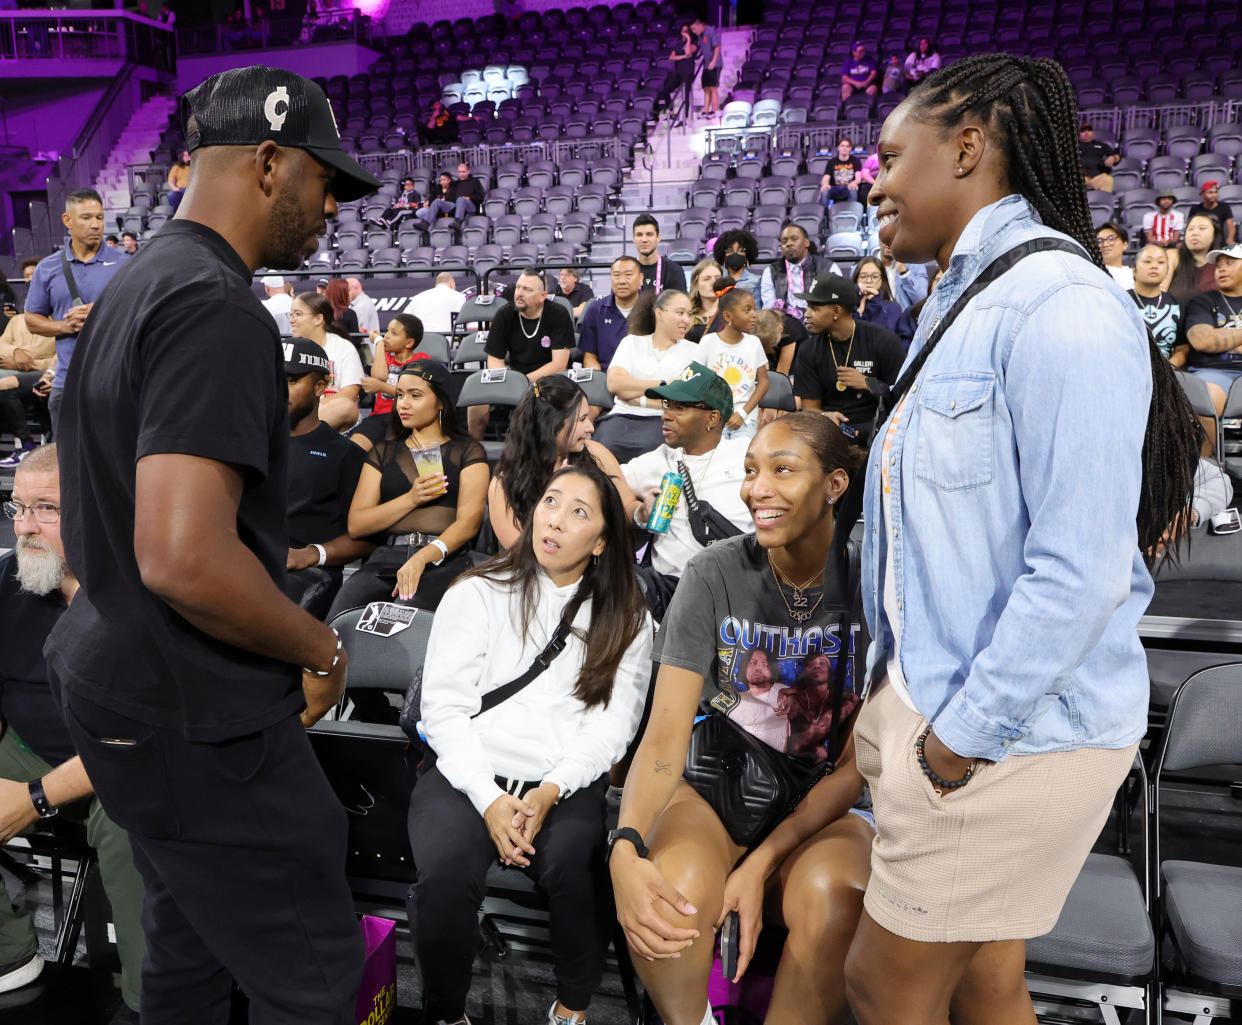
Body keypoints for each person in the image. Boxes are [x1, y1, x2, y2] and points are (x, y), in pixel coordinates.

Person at [846, 54, 1200, 1025]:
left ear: (966, 146)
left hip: (1005, 731)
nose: (869, 180)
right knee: (987, 980)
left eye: (888, 153)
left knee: (882, 985)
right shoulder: (963, 301)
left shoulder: (1062, 306)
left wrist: (956, 742)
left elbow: (1079, 575)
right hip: (954, 709)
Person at [49, 65, 382, 1024]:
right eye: (324, 181)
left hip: (116, 682)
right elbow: (186, 556)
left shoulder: (140, 278)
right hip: (196, 712)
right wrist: (320, 645)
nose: (330, 209)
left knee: (188, 944)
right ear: (272, 163)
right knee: (316, 985)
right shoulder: (217, 304)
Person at [611, 413, 873, 1025]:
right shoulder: (713, 571)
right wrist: (626, 846)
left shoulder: (875, 581)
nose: (758, 488)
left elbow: (856, 768)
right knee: (665, 900)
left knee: (833, 901)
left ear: (835, 485)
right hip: (720, 781)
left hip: (824, 799)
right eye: (752, 470)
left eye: (783, 470)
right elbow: (665, 734)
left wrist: (759, 865)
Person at [411, 463, 652, 1025]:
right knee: (446, 872)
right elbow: (443, 711)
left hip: (559, 783)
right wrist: (489, 798)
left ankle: (571, 1009)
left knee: (578, 866)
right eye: (550, 501)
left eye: (579, 512)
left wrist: (550, 790)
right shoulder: (478, 591)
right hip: (467, 771)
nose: (555, 520)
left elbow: (614, 727)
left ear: (601, 542)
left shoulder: (629, 619)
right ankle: (445, 1013)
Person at [0, 445, 145, 1020]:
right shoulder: (9, 581)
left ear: (94, 510)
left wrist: (33, 800)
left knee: (133, 827)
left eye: (46, 509)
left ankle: (149, 1002)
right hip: (35, 748)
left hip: (129, 761)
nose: (24, 527)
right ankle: (11, 959)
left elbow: (139, 738)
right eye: (17, 509)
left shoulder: (141, 590)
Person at [333, 360, 488, 616]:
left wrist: (422, 557)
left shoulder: (467, 451)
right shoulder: (382, 452)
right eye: (401, 395)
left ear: (441, 402)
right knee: (340, 620)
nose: (403, 403)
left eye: (415, 396)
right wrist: (411, 498)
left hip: (442, 560)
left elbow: (468, 523)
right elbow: (357, 524)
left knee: (406, 624)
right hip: (384, 559)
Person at [620, 364, 752, 616]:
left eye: (679, 408)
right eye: (666, 405)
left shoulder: (747, 457)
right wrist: (637, 512)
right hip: (669, 592)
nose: (666, 415)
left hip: (731, 594)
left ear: (712, 418)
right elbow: (605, 474)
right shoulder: (661, 459)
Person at [488, 375, 637, 550]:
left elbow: (626, 506)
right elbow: (519, 553)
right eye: (581, 420)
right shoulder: (503, 484)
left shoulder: (597, 454)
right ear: (552, 425)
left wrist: (641, 513)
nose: (591, 427)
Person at [22, 188, 127, 436]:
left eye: (99, 218)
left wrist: (102, 313)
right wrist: (65, 326)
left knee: (114, 464)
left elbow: (139, 316)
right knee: (68, 465)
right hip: (66, 383)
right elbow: (31, 320)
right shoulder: (47, 268)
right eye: (87, 217)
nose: (95, 225)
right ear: (67, 220)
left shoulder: (125, 264)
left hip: (113, 382)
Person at [283, 339, 372, 618]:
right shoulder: (250, 444)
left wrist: (311, 554)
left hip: (309, 576)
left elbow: (368, 537)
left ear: (320, 387)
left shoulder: (345, 455)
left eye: (292, 380)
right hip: (245, 565)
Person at [792, 273, 904, 443]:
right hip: (830, 431)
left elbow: (902, 397)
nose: (806, 314)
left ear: (836, 310)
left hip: (879, 428)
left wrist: (870, 384)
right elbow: (811, 409)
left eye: (814, 308)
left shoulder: (883, 340)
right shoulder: (809, 350)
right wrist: (824, 416)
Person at [594, 289, 699, 463]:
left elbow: (684, 400)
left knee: (654, 454)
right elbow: (615, 384)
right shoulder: (632, 343)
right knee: (602, 448)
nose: (686, 320)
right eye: (680, 313)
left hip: (665, 421)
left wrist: (636, 395)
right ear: (659, 313)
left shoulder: (694, 351)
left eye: (689, 314)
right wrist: (665, 385)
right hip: (622, 415)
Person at [698, 288, 769, 438]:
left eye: (754, 309)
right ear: (727, 316)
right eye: (747, 310)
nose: (754, 315)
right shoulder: (708, 342)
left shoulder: (754, 343)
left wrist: (742, 413)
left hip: (746, 419)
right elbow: (697, 380)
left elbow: (763, 382)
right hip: (713, 418)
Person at [289, 290, 365, 430]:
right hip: (297, 414)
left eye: (298, 314)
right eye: (291, 314)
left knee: (345, 407)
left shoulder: (343, 348)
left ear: (318, 319)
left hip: (331, 415)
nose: (291, 319)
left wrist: (315, 410)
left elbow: (350, 393)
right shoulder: (290, 348)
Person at [1184, 242, 1242, 417]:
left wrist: (1223, 337)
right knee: (1207, 397)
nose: (1222, 269)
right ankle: (1209, 446)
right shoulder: (1202, 301)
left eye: (1230, 262)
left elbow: (1212, 338)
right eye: (1218, 266)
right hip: (1212, 371)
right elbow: (1202, 340)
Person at [759, 224, 839, 322]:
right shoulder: (771, 271)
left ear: (806, 242)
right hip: (785, 324)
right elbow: (769, 307)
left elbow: (836, 301)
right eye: (784, 241)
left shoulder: (828, 267)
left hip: (819, 322)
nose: (789, 244)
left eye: (794, 239)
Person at [579, 257, 644, 371]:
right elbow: (590, 357)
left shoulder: (654, 310)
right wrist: (600, 382)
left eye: (628, 275)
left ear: (641, 278)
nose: (622, 281)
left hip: (644, 379)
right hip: (606, 379)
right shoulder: (595, 310)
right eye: (617, 275)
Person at [1129, 245, 1186, 365]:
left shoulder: (1176, 305)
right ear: (1134, 270)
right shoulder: (1121, 301)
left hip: (1167, 371)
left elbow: (1182, 348)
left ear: (1167, 271)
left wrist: (1169, 369)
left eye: (1160, 262)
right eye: (1147, 261)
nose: (1154, 266)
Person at [1165, 212, 1224, 306]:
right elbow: (1159, 292)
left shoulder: (1224, 262)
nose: (1195, 233)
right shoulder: (1173, 256)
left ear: (1215, 234)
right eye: (1190, 229)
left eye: (1202, 228)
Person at [633, 214, 687, 294]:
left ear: (658, 237)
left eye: (649, 234)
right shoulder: (627, 271)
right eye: (639, 235)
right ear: (634, 239)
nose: (644, 239)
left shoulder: (674, 271)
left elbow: (680, 305)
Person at [852, 257, 904, 339]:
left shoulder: (892, 308)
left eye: (875, 276)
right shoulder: (847, 307)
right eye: (863, 276)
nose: (868, 280)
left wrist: (874, 300)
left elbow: (883, 336)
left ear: (882, 280)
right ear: (856, 279)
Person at [419, 162, 486, 223]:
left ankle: (457, 222)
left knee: (461, 199)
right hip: (455, 205)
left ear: (468, 172)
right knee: (437, 201)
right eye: (460, 172)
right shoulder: (456, 183)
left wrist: (469, 198)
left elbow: (481, 197)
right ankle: (425, 223)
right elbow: (441, 187)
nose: (461, 174)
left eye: (463, 172)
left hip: (470, 206)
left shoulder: (474, 181)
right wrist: (429, 201)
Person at [875, 243, 929, 311]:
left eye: (893, 238)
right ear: (880, 240)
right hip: (874, 318)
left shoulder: (915, 264)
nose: (889, 243)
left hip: (903, 318)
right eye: (886, 239)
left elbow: (922, 300)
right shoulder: (867, 266)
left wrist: (904, 273)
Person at [819, 137, 869, 208]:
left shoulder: (856, 161)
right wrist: (825, 184)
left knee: (853, 190)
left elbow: (858, 178)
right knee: (824, 191)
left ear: (850, 148)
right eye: (842, 146)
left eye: (847, 146)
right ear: (838, 148)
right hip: (835, 188)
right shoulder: (832, 162)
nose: (845, 148)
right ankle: (824, 216)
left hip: (849, 187)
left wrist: (854, 182)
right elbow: (826, 176)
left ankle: (852, 213)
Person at [663, 23, 699, 119]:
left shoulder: (694, 43)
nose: (684, 33)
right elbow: (671, 57)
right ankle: (671, 112)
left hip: (688, 70)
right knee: (665, 90)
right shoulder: (678, 44)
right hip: (678, 71)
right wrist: (683, 57)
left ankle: (686, 117)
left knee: (685, 94)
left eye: (686, 31)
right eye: (683, 31)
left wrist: (689, 39)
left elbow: (688, 52)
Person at [712, 230, 763, 296]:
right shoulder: (717, 280)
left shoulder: (757, 281)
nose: (735, 254)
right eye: (730, 250)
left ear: (747, 254)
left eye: (740, 250)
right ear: (723, 254)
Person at [752, 308, 800, 376]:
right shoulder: (754, 329)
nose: (769, 350)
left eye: (772, 344)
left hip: (795, 363)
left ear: (781, 329)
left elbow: (782, 373)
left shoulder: (791, 330)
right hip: (775, 358)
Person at [690, 16, 722, 116]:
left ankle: (713, 110)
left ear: (699, 25)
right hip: (706, 64)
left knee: (713, 87)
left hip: (715, 63)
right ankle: (706, 110)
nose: (694, 31)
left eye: (694, 29)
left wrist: (713, 61)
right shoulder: (700, 36)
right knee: (706, 87)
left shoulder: (710, 31)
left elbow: (717, 46)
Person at [685, 257, 722, 343]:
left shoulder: (731, 313)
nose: (713, 282)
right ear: (696, 284)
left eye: (717, 278)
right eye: (707, 279)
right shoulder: (686, 314)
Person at [1188, 180, 1236, 245]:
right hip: (1201, 240)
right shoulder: (1195, 209)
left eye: (1215, 192)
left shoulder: (1224, 207)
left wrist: (1230, 239)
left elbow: (1230, 225)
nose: (1213, 195)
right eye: (1210, 192)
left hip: (1219, 241)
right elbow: (1190, 226)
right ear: (1202, 194)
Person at [1079, 121, 1119, 192]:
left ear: (1093, 133)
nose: (1086, 133)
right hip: (1080, 177)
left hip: (1098, 177)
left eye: (1089, 130)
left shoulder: (1101, 145)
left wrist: (1113, 158)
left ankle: (1104, 202)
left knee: (1108, 179)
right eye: (1083, 131)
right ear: (1079, 134)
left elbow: (1117, 156)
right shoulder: (1073, 147)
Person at [1096, 222, 1134, 289]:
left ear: (1125, 244)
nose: (1105, 244)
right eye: (1099, 240)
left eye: (1111, 238)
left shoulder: (1135, 274)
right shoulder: (1093, 272)